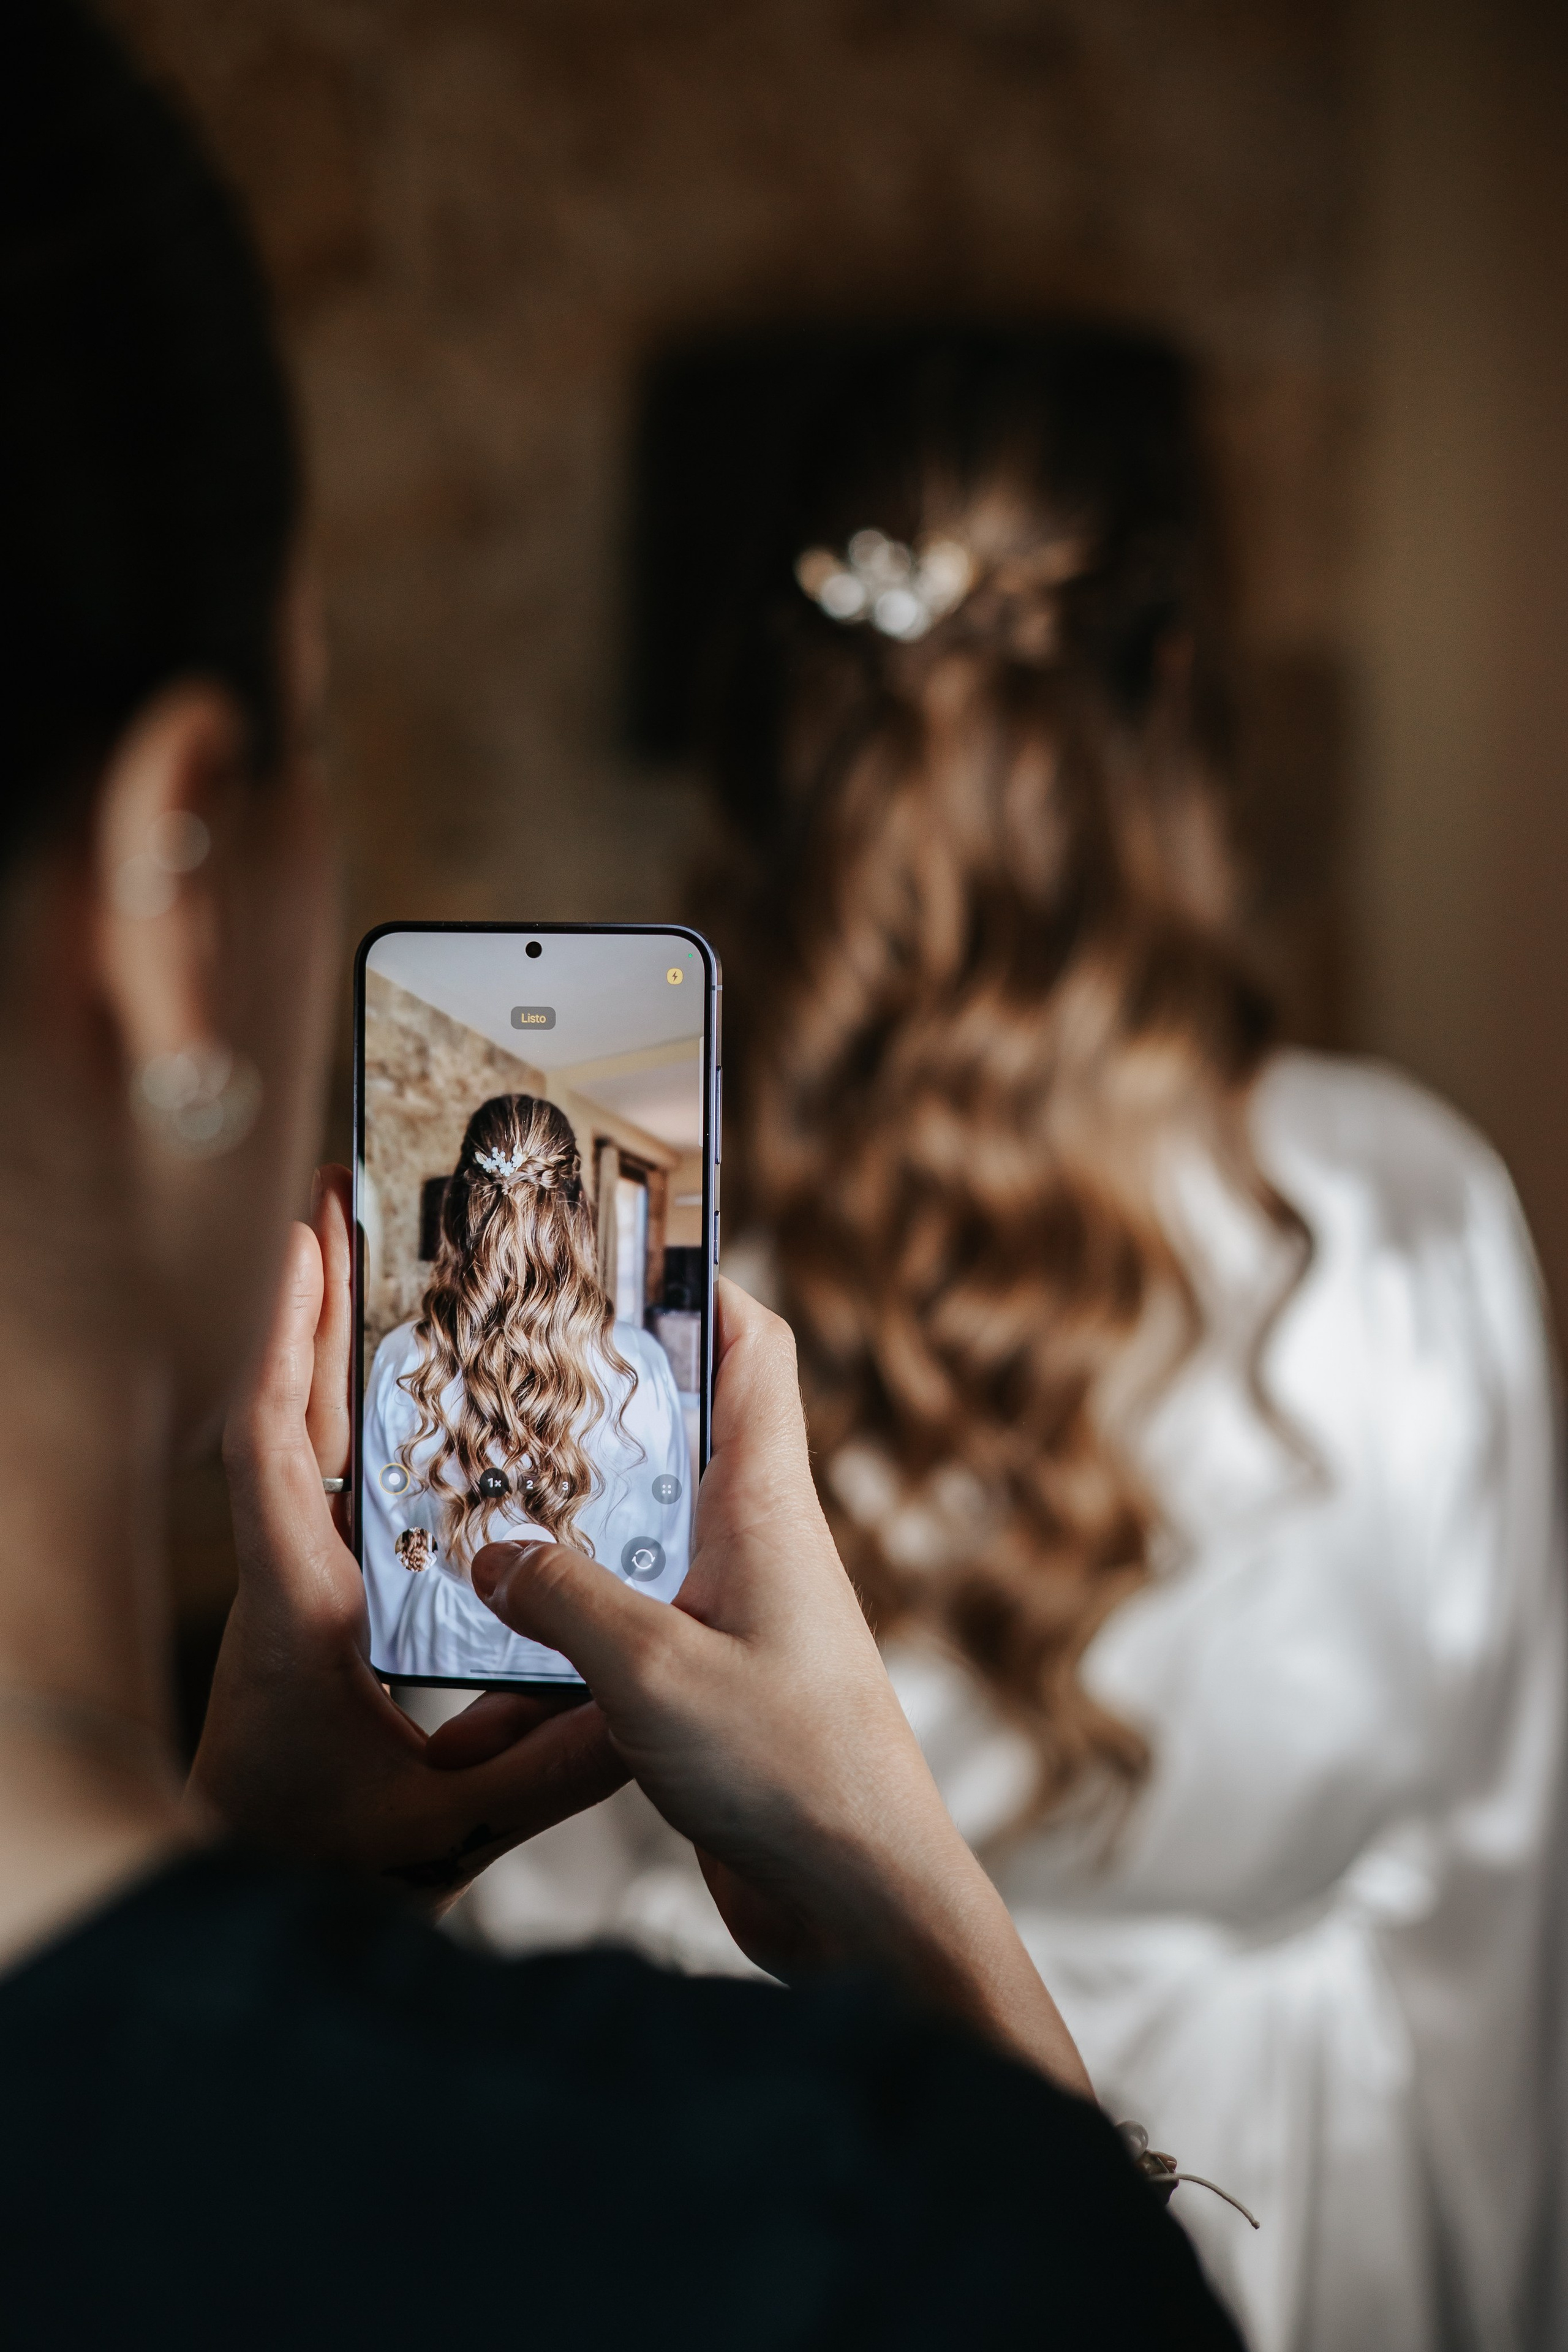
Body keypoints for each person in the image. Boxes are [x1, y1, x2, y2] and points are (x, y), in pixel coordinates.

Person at [0, 6, 1240, 2345]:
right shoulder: (818, 2236)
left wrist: (259, 1896)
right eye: (322, 752)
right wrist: (932, 1949)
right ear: (171, 896)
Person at [514, 332, 1562, 2349]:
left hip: (760, 2245)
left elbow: (522, 1906)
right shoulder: (1414, 1226)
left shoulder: (607, 1225)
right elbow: (1503, 1938)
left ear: (765, 711)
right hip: (1293, 2253)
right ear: (1174, 697)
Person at [363, 1093, 692, 1681]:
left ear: (457, 1209)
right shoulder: (640, 1361)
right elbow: (661, 1547)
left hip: (441, 1664)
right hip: (596, 1665)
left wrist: (387, 1670)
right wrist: (647, 1675)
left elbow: (388, 1554)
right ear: (578, 1212)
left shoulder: (400, 1358)